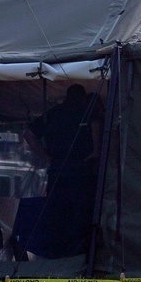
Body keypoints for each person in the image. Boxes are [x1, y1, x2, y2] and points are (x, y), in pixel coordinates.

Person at [24, 83, 104, 258]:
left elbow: (29, 134)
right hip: (81, 169)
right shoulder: (86, 112)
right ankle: (80, 255)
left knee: (56, 213)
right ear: (82, 97)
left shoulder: (53, 114)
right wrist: (96, 152)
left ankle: (57, 255)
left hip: (57, 168)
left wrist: (46, 157)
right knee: (81, 213)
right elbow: (97, 125)